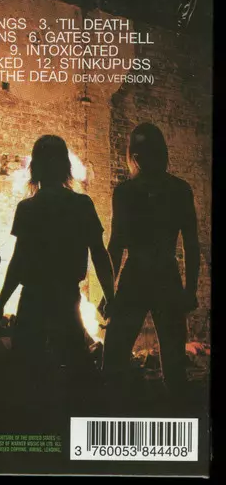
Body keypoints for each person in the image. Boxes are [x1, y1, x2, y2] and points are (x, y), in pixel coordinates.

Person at [0, 135, 115, 390]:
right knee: (78, 375)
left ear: (35, 168)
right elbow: (99, 254)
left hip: (33, 301)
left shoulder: (28, 208)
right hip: (66, 299)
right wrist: (111, 297)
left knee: (25, 376)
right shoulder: (81, 205)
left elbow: (18, 263)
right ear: (65, 167)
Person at [102, 123, 200, 392]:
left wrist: (108, 293)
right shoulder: (180, 190)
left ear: (134, 156)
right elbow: (191, 245)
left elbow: (116, 245)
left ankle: (113, 406)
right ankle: (177, 407)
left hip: (135, 276)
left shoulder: (125, 192)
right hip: (166, 275)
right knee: (174, 362)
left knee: (114, 358)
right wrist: (190, 290)